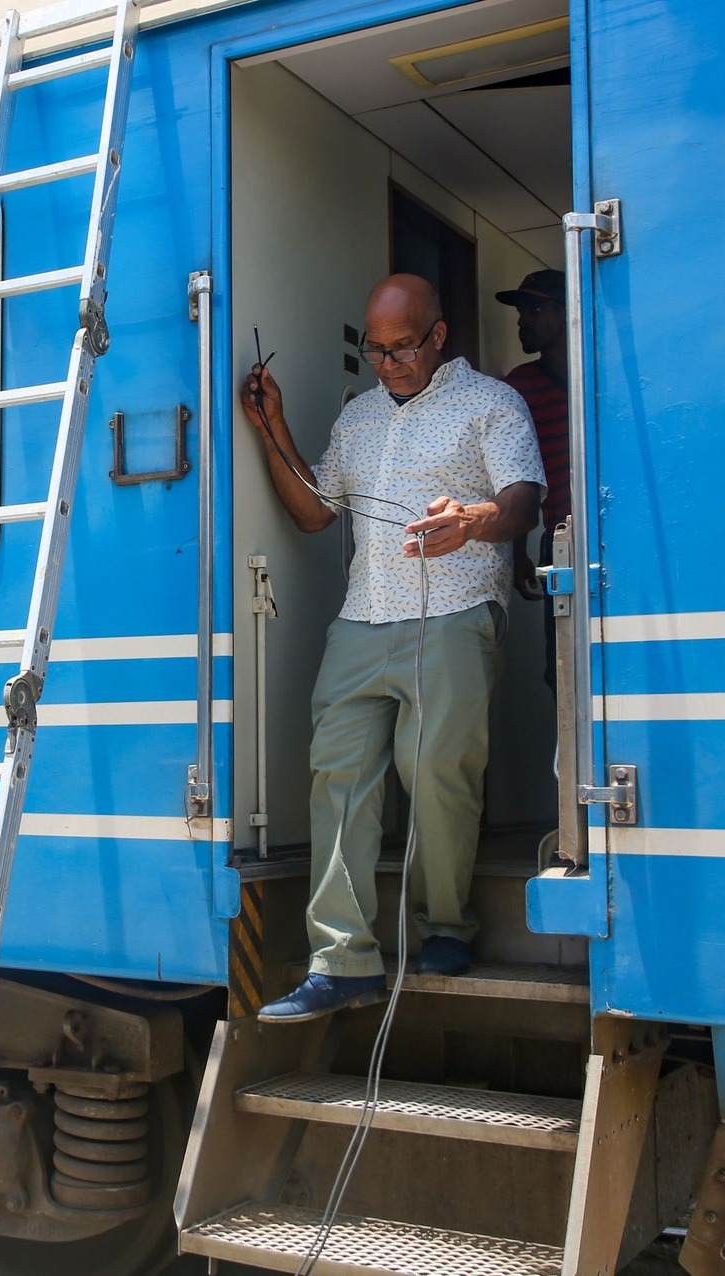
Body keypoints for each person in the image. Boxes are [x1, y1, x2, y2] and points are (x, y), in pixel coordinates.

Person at [240, 274, 545, 1021]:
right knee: (336, 777)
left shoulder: (492, 403)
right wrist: (271, 427)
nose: (388, 363)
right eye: (376, 351)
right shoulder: (359, 418)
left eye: (402, 348)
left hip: (454, 610)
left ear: (438, 336)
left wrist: (472, 520)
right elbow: (316, 512)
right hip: (362, 615)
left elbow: (523, 500)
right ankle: (341, 961)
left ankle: (446, 926)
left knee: (438, 769)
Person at [496, 269, 572, 684]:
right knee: (562, 670)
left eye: (536, 308)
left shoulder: (602, 375)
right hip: (559, 541)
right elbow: (516, 472)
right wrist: (518, 551)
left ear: (568, 312)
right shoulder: (520, 386)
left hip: (617, 536)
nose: (523, 319)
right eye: (521, 310)